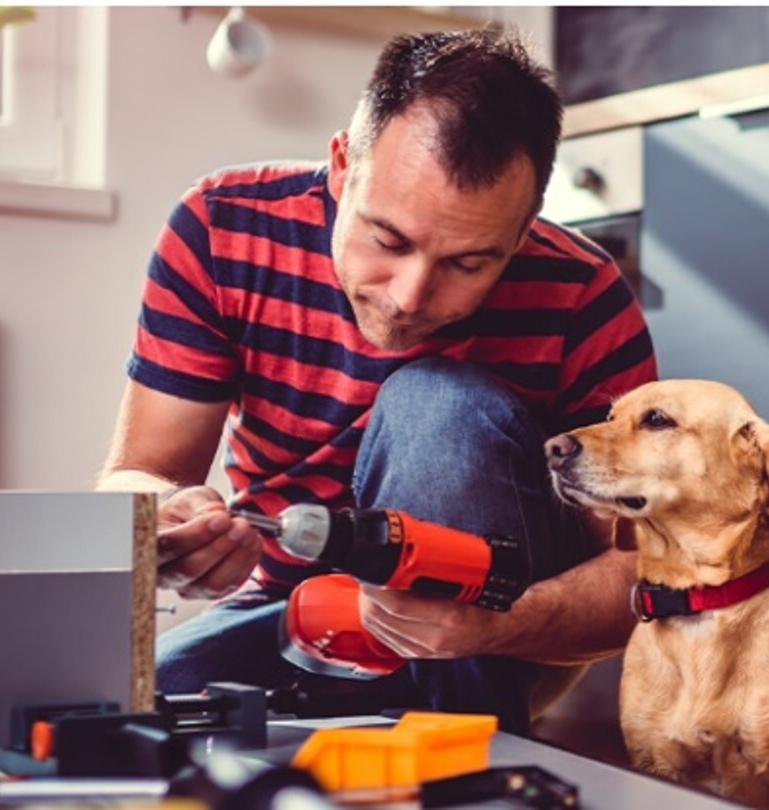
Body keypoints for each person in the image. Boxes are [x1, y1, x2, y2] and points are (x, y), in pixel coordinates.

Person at [97, 29, 657, 733]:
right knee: (131, 722)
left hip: (501, 625)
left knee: (435, 406)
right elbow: (139, 473)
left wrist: (495, 626)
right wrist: (164, 522)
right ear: (340, 167)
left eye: (470, 263)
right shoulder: (222, 229)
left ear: (522, 232)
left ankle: (471, 752)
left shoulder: (583, 296)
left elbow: (643, 570)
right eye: (387, 241)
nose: (410, 296)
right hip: (291, 606)